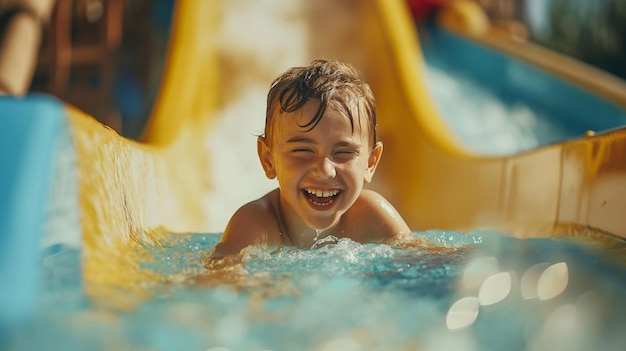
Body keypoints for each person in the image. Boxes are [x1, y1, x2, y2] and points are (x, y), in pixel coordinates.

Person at [213, 59, 411, 257]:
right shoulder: (256, 222)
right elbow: (221, 280)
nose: (325, 170)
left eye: (343, 152)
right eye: (302, 151)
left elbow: (424, 262)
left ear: (370, 162)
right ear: (268, 159)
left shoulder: (371, 214)